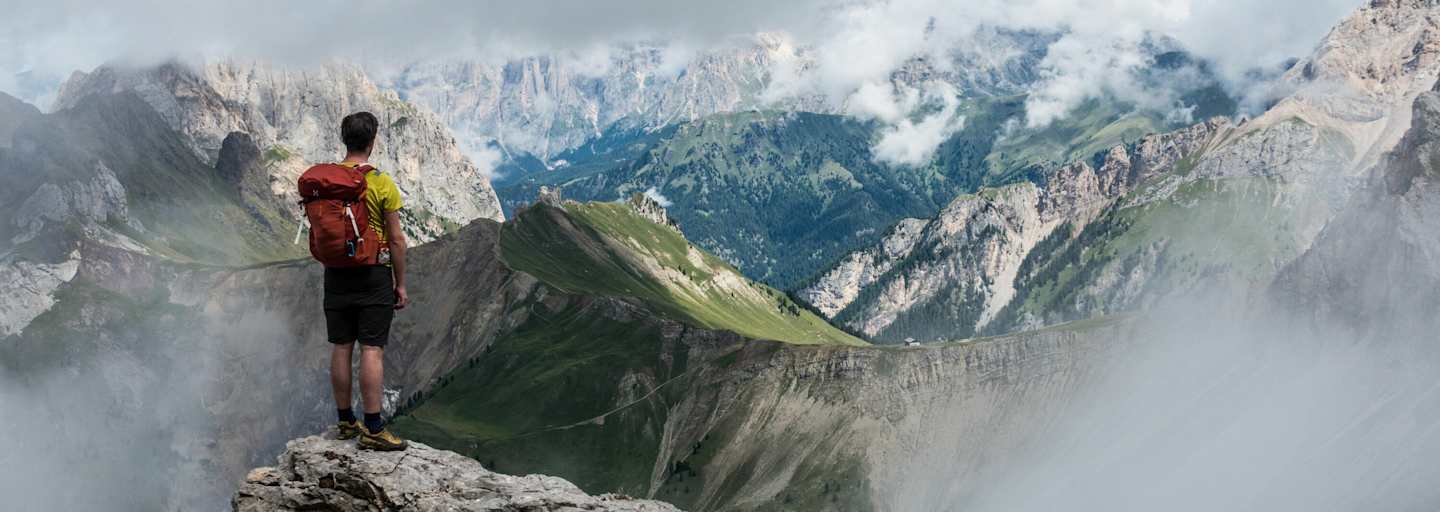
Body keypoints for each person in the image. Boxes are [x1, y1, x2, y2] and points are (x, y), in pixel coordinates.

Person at [324, 111, 410, 451]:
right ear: (372, 141)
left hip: (336, 273)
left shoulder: (327, 180)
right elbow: (398, 239)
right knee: (372, 349)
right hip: (373, 272)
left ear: (345, 140)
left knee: (341, 346)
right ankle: (373, 428)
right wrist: (399, 284)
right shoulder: (381, 182)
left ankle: (345, 421)